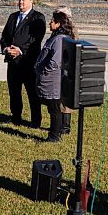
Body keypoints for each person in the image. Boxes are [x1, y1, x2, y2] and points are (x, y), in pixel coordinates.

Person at [0, 0, 46, 127]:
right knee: (14, 92)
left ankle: (36, 121)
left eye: (23, 0)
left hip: (28, 63)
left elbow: (36, 39)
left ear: (31, 1)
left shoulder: (38, 17)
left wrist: (20, 50)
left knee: (32, 93)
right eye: (19, 0)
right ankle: (16, 117)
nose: (20, 2)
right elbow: (4, 36)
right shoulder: (13, 17)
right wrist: (6, 48)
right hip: (13, 63)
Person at [35, 11, 76, 142]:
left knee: (54, 109)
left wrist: (44, 71)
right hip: (48, 79)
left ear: (58, 24)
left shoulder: (59, 40)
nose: (50, 23)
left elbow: (55, 61)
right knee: (52, 108)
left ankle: (54, 136)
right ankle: (55, 133)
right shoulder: (55, 37)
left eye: (52, 21)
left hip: (52, 80)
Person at [54, 5, 76, 135]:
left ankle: (65, 126)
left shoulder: (71, 31)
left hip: (67, 68)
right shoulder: (59, 30)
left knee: (65, 98)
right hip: (59, 67)